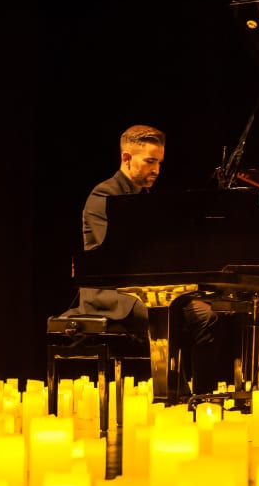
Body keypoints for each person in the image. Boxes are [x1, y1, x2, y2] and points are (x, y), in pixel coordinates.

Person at [79, 123, 237, 397]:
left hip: (147, 289)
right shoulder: (104, 195)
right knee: (185, 314)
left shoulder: (145, 198)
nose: (157, 170)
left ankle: (200, 396)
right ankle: (178, 394)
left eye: (160, 163)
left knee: (211, 313)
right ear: (127, 158)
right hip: (112, 293)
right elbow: (116, 256)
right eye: (150, 162)